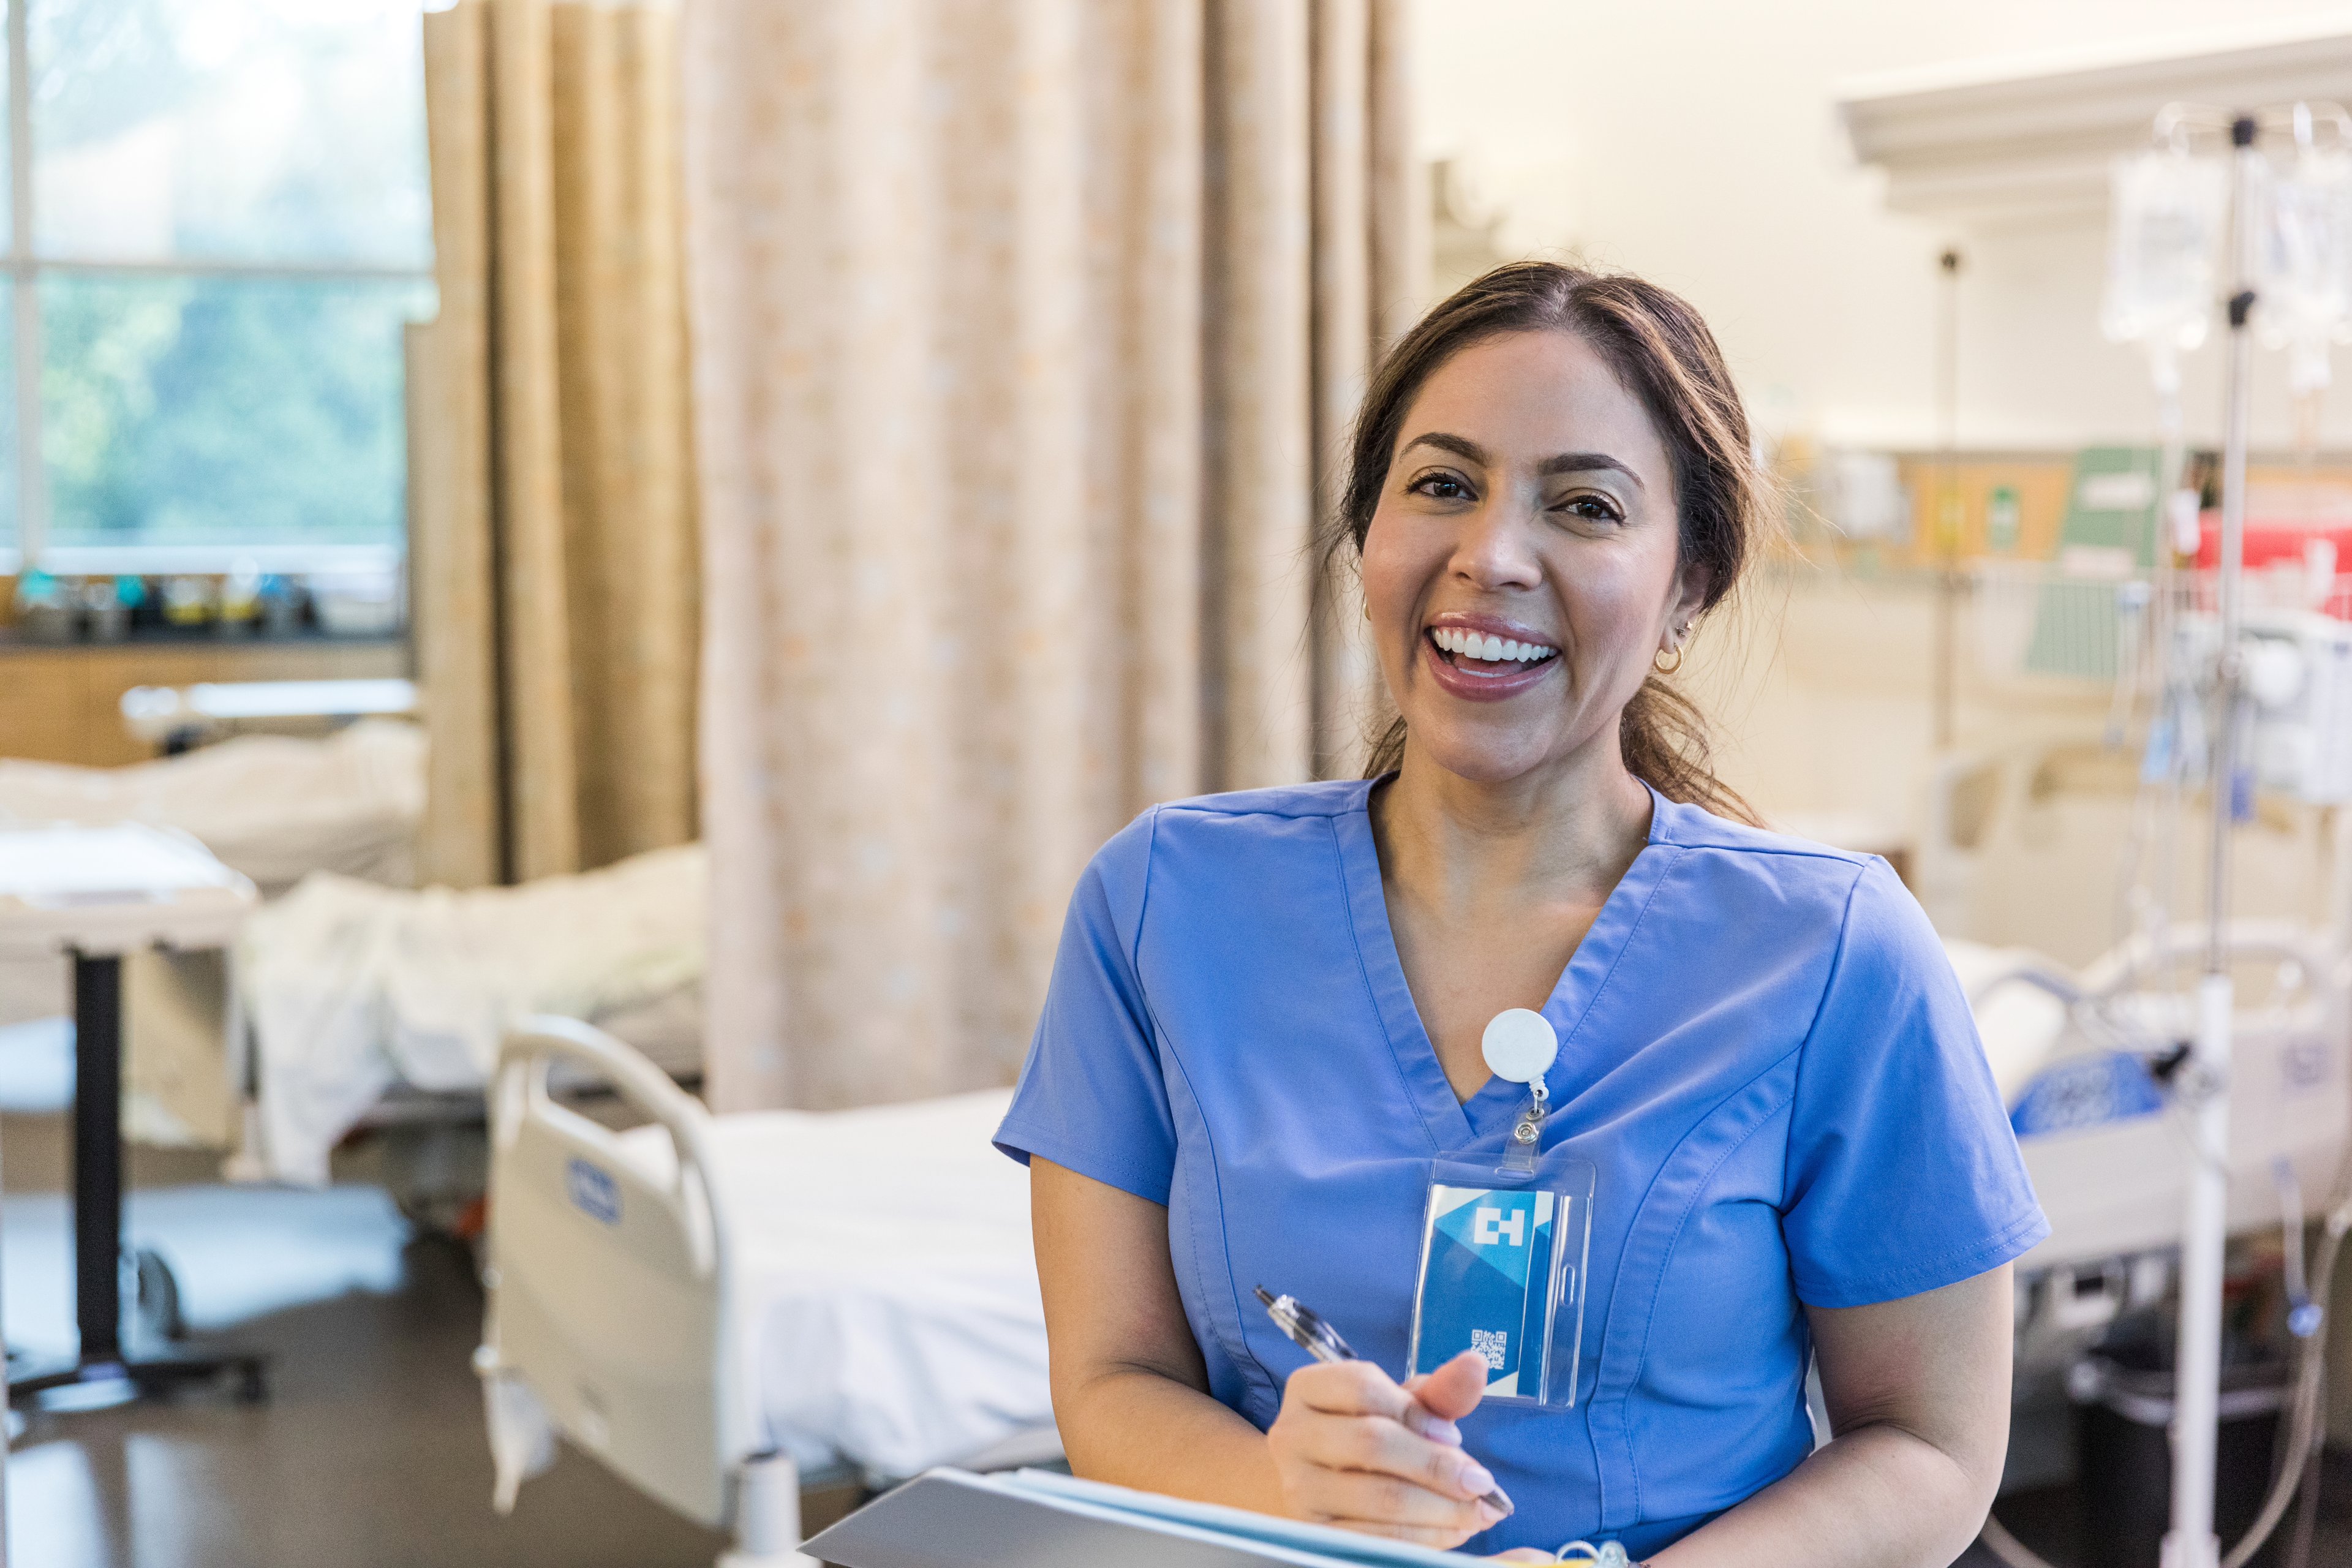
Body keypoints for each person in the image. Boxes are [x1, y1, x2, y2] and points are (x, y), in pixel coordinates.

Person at [993, 262, 2045, 1564]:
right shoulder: (1165, 905)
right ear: (1365, 536)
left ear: (1690, 587)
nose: (1489, 556)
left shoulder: (1833, 958)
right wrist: (1289, 1484)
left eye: (1587, 505)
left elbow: (1933, 1443)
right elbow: (1110, 1379)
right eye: (1441, 484)